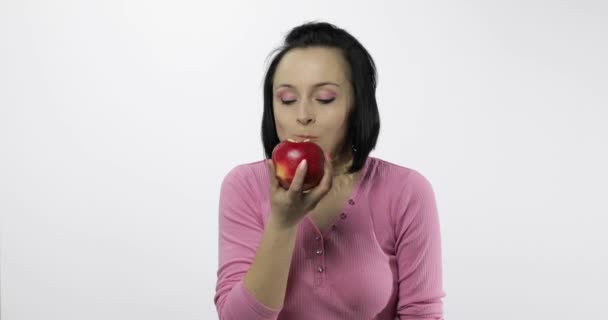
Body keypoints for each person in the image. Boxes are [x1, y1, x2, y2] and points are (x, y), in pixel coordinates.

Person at [214, 21, 446, 319]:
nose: (303, 116)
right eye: (286, 99)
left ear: (358, 105)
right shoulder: (244, 186)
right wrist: (282, 224)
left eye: (324, 98)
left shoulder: (407, 190)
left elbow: (421, 313)